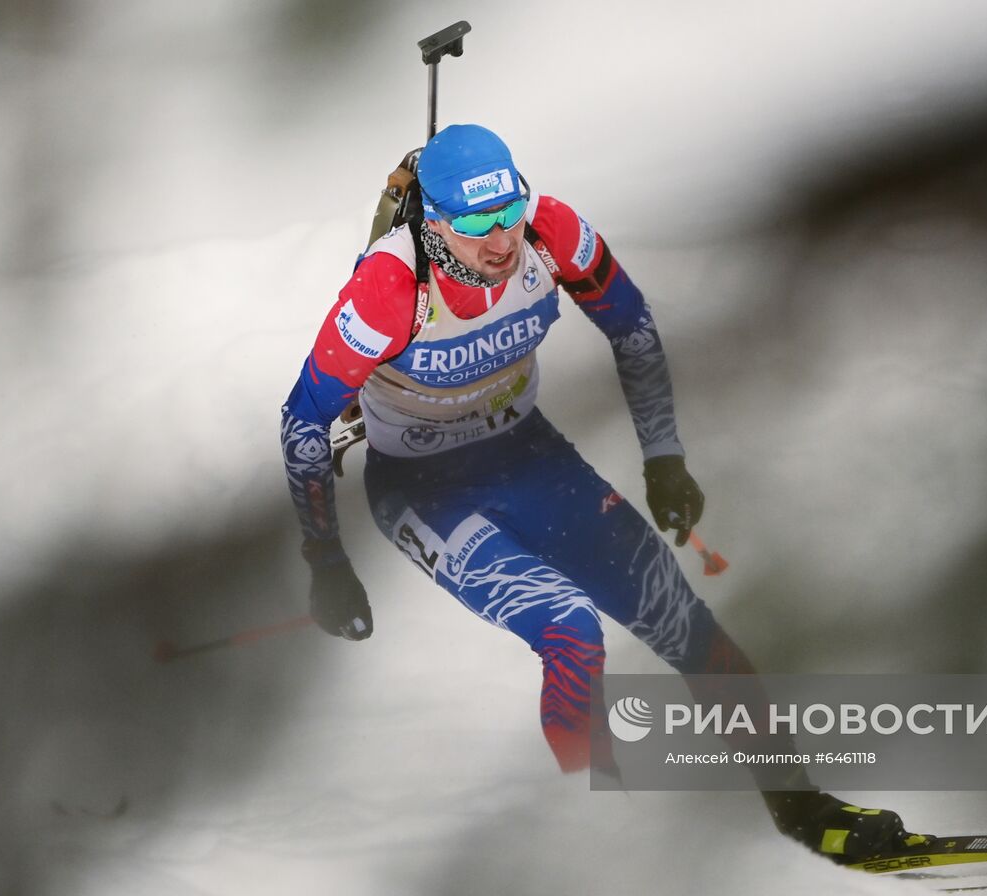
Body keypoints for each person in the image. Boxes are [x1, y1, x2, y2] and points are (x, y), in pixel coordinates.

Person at [279, 123, 928, 862]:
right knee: (570, 628)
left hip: (531, 458)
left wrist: (664, 460)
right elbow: (302, 421)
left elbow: (634, 327)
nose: (500, 243)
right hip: (425, 490)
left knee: (683, 621)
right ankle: (599, 851)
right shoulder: (389, 290)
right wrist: (324, 559)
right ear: (433, 228)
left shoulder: (552, 234)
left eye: (508, 214)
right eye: (474, 226)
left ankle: (802, 807)